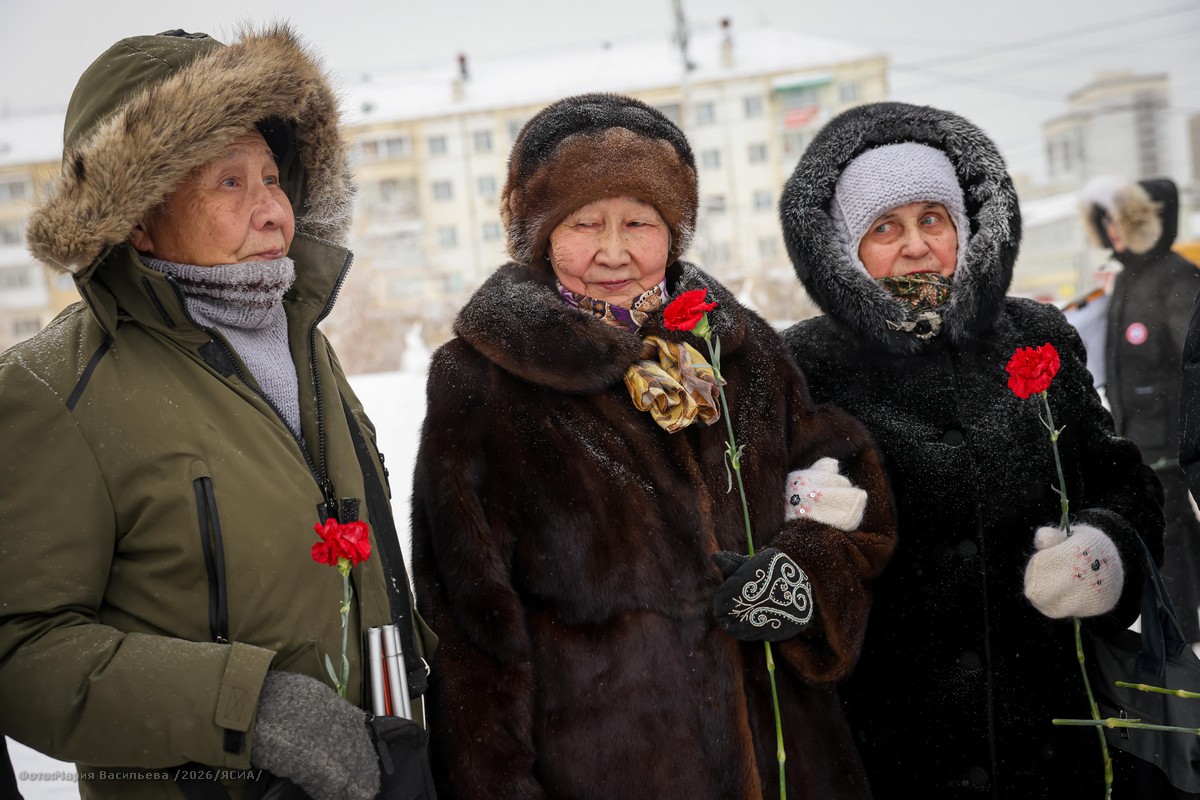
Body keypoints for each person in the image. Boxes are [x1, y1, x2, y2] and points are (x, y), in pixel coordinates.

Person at [410, 92, 897, 800]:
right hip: (608, 770)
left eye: (639, 222)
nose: (613, 252)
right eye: (584, 224)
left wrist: (806, 577)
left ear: (674, 231)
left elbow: (847, 486)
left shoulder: (744, 348)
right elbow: (467, 624)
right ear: (541, 235)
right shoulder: (484, 380)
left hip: (792, 766)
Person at [0, 26, 433, 800]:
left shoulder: (302, 341)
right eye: (229, 184)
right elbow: (20, 648)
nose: (271, 210)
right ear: (136, 213)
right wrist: (251, 708)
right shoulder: (54, 390)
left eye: (272, 177)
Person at [779, 101, 1166, 798]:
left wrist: (1106, 553)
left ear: (966, 228)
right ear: (845, 248)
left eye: (933, 218)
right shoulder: (803, 364)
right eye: (885, 227)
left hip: (1047, 727)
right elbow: (760, 526)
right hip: (887, 737)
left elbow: (1123, 484)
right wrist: (800, 523)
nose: (916, 243)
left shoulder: (1034, 334)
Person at [1083, 176, 1200, 644]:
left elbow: (1192, 362)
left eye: (1121, 221)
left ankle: (1180, 638)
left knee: (1173, 538)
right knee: (1168, 536)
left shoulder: (1175, 278)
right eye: (1107, 222)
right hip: (1141, 439)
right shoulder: (1129, 276)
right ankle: (1177, 632)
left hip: (1172, 441)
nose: (1113, 232)